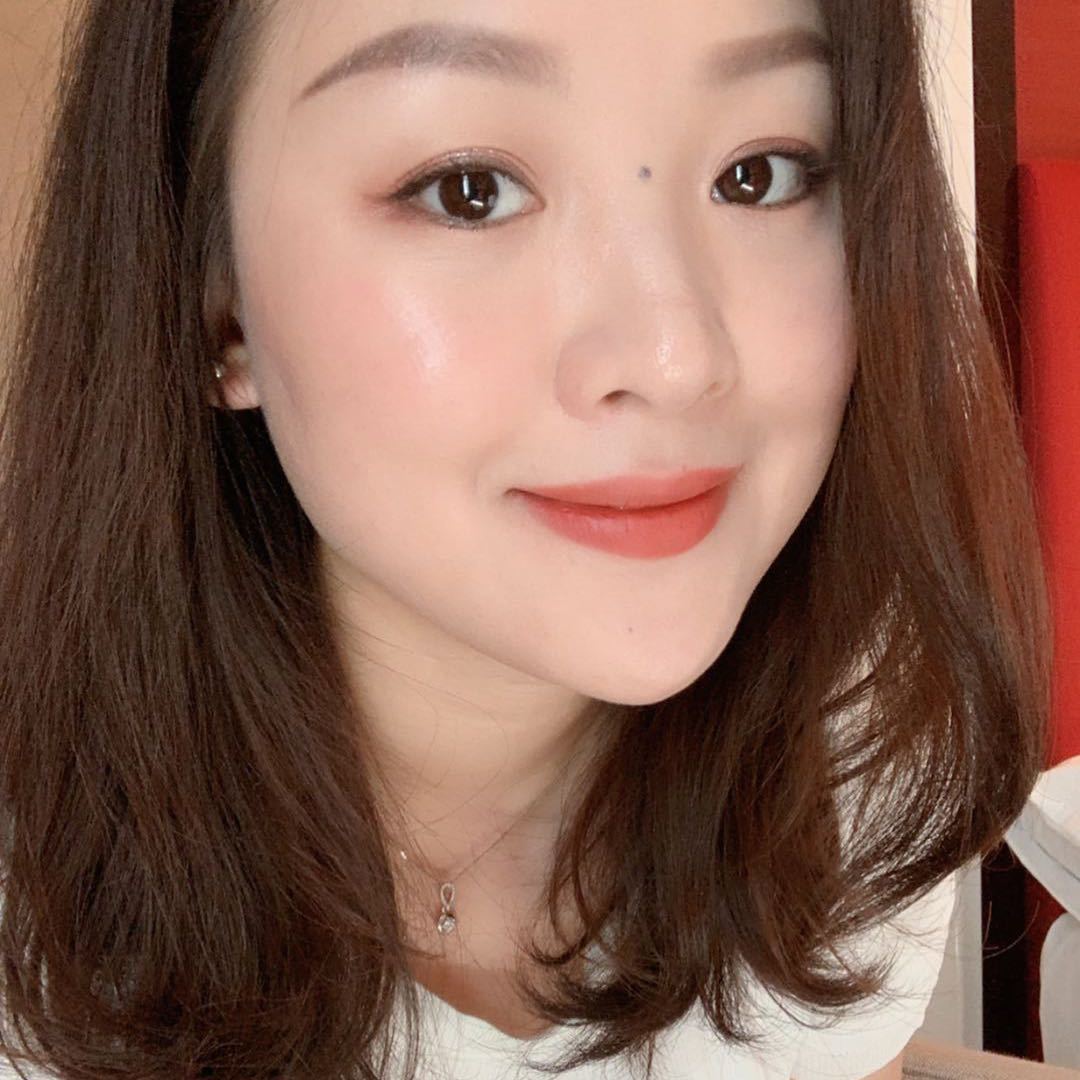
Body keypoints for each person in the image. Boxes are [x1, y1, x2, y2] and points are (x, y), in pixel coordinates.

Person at [0, 0, 1050, 1077]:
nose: (676, 357)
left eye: (760, 174)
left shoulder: (853, 744)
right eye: (469, 191)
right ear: (215, 297)